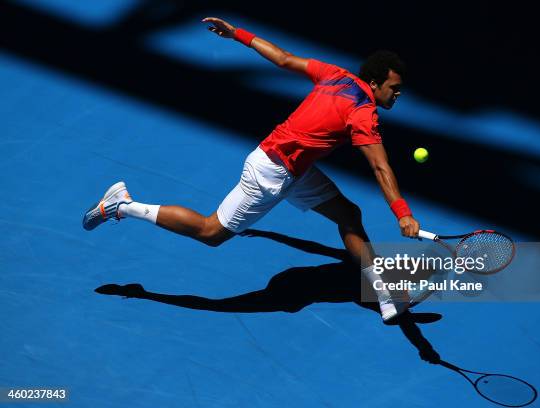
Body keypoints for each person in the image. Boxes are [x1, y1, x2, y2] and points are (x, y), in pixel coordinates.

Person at [82, 17, 420, 324]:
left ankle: (384, 294)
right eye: (394, 87)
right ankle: (122, 206)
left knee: (349, 214)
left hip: (291, 168)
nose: (398, 93)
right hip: (272, 174)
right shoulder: (363, 114)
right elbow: (379, 166)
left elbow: (283, 58)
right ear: (375, 83)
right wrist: (402, 213)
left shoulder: (336, 75)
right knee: (210, 232)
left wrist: (238, 35)